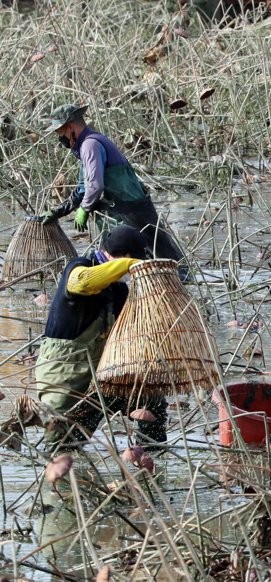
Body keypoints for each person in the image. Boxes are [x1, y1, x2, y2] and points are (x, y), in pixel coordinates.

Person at [35, 225, 168, 451]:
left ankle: (152, 458)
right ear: (125, 257)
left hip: (102, 377)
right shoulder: (79, 267)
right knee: (61, 446)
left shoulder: (118, 291)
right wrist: (127, 265)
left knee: (151, 399)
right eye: (131, 262)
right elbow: (82, 283)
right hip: (66, 377)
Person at [34, 104, 186, 268]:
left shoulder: (89, 145)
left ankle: (184, 280)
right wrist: (58, 211)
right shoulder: (86, 144)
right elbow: (82, 188)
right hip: (122, 208)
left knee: (160, 255)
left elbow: (95, 186)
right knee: (125, 255)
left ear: (70, 127)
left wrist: (84, 209)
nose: (59, 137)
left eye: (59, 132)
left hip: (133, 209)